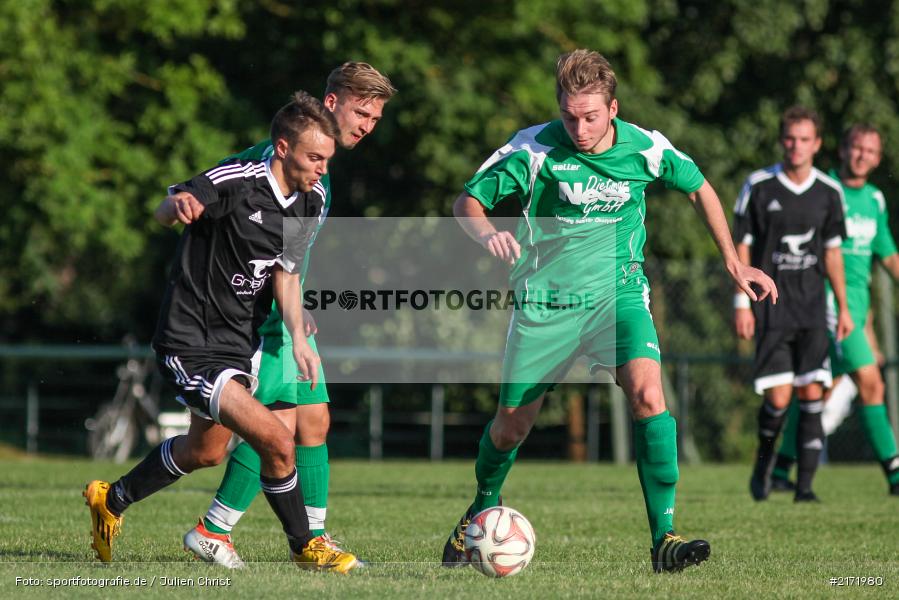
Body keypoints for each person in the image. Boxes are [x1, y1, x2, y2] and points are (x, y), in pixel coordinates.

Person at [444, 49, 777, 573]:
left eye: (591, 117)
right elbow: (467, 202)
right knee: (510, 428)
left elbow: (700, 188)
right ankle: (481, 508)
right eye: (570, 116)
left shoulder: (646, 147)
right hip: (546, 303)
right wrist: (486, 234)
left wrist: (734, 263)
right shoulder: (532, 149)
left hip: (617, 297)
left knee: (649, 395)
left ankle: (664, 536)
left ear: (613, 109)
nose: (578, 127)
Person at [84, 91, 360, 573]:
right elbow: (171, 205)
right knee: (277, 438)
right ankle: (306, 546)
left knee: (205, 452)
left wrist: (297, 335)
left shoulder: (310, 201)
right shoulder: (239, 179)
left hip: (240, 345)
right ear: (281, 147)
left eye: (327, 159)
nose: (321, 169)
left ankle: (112, 498)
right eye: (313, 157)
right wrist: (178, 207)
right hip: (189, 342)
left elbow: (287, 275)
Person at [171, 63, 396, 567]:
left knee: (314, 419)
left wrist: (299, 311)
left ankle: (315, 535)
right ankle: (216, 529)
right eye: (362, 112)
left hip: (288, 313)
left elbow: (288, 254)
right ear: (332, 103)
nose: (367, 125)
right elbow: (212, 203)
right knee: (277, 424)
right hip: (254, 320)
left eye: (376, 118)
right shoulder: (270, 158)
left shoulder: (322, 169)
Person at [769, 124, 899, 496]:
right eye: (857, 147)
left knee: (817, 392)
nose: (863, 156)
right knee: (872, 382)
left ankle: (780, 470)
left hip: (855, 310)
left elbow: (887, 254)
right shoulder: (824, 190)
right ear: (842, 150)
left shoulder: (875, 200)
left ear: (877, 158)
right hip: (825, 305)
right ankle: (894, 473)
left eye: (871, 151)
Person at [733, 106, 853, 503]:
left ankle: (805, 490)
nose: (796, 146)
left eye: (804, 139)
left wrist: (844, 308)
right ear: (781, 140)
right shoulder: (759, 185)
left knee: (811, 396)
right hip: (772, 308)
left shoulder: (828, 193)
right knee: (778, 399)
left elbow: (833, 254)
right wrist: (741, 302)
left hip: (813, 310)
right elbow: (742, 246)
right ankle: (762, 469)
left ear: (817, 144)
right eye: (790, 138)